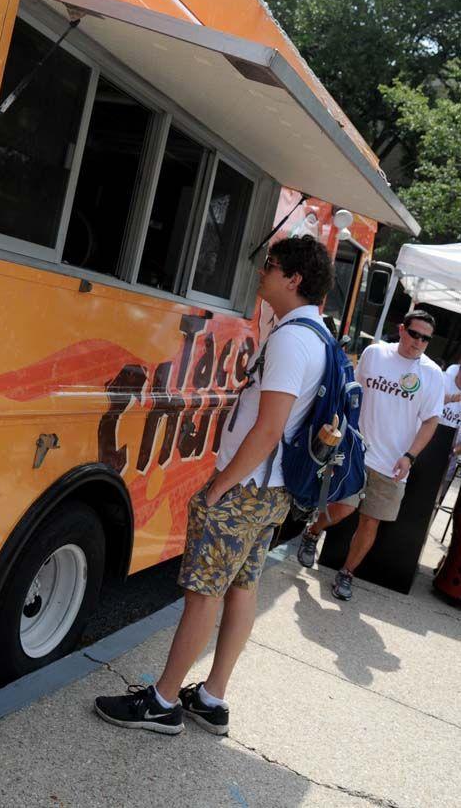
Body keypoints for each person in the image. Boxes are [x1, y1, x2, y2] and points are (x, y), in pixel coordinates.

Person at [94, 235, 333, 736]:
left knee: (203, 594)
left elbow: (269, 428)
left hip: (246, 488)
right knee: (242, 587)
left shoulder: (292, 340)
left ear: (294, 279)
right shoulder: (317, 334)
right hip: (273, 491)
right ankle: (211, 697)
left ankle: (162, 703)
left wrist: (221, 485)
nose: (261, 272)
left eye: (271, 266)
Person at [297, 310, 445, 601]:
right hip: (355, 451)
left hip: (393, 463)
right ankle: (312, 533)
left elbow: (430, 421)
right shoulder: (374, 353)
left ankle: (347, 574)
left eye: (425, 339)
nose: (418, 342)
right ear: (401, 329)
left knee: (371, 522)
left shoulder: (432, 375)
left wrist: (410, 456)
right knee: (343, 509)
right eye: (414, 334)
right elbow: (352, 394)